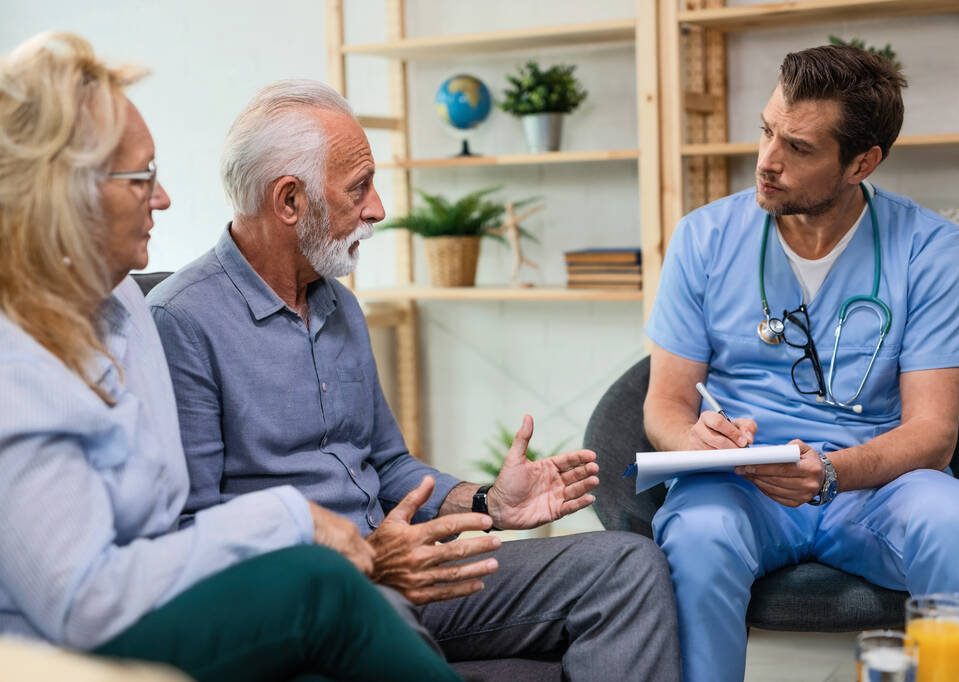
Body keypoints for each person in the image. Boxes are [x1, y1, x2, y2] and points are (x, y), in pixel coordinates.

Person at [147, 79, 682, 681]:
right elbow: (192, 528)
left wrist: (488, 502)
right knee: (378, 614)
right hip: (318, 595)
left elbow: (389, 464)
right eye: (359, 188)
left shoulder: (339, 305)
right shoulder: (180, 323)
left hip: (409, 567)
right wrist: (362, 562)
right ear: (289, 200)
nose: (377, 208)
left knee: (628, 569)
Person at [0, 31, 461, 682]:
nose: (162, 199)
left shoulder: (122, 303)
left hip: (171, 595)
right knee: (320, 587)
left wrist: (486, 500)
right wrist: (289, 519)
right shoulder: (20, 363)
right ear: (63, 195)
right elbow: (84, 603)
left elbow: (170, 519)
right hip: (68, 647)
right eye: (143, 177)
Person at [643, 44, 959, 681]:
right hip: (742, 486)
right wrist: (698, 442)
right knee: (698, 540)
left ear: (861, 162)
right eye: (766, 131)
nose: (766, 162)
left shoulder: (926, 247)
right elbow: (664, 407)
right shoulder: (702, 238)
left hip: (877, 487)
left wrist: (833, 473)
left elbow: (933, 433)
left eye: (799, 147)